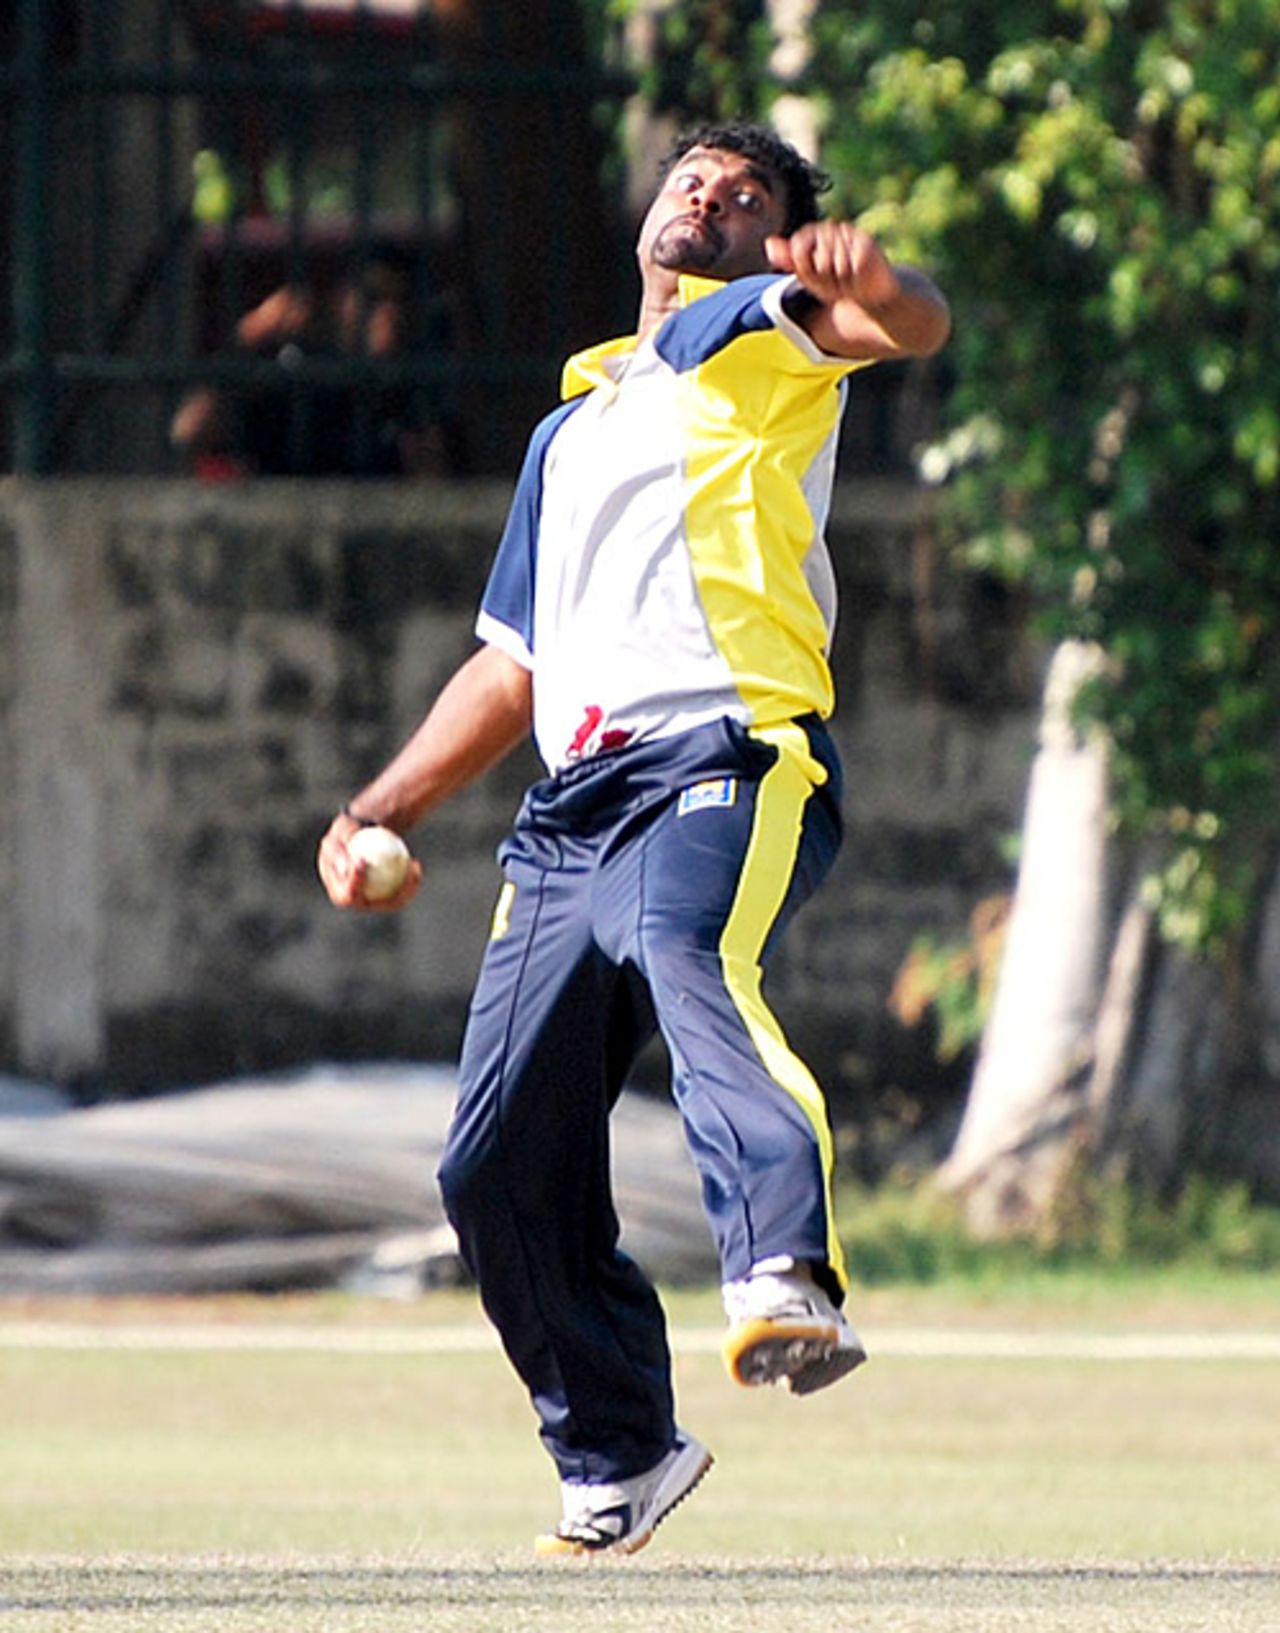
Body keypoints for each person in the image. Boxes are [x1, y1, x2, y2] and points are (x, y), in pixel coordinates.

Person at [317, 122, 950, 1556]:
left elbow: (903, 324)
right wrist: (377, 810)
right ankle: (619, 1448)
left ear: (770, 245)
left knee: (684, 949)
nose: (712, 199)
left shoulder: (754, 340)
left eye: (749, 199)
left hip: (727, 752)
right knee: (492, 1167)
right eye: (695, 180)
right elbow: (512, 669)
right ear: (650, 205)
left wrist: (880, 281)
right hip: (566, 818)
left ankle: (784, 1268)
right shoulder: (572, 424)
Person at [171, 245, 455, 477]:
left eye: (401, 301)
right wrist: (248, 338)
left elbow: (431, 481)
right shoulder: (297, 369)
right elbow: (189, 432)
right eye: (373, 297)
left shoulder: (417, 379)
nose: (387, 313)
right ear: (342, 299)